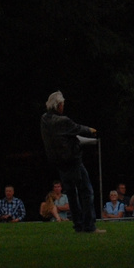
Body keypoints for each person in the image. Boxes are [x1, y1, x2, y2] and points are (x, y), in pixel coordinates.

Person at [40, 91, 98, 234]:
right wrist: (90, 130)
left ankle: (78, 225)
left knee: (71, 193)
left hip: (59, 162)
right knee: (86, 191)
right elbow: (77, 128)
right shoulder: (62, 121)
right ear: (59, 105)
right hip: (73, 161)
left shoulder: (45, 119)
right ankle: (89, 226)